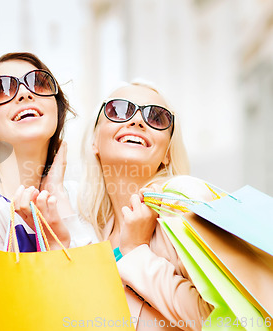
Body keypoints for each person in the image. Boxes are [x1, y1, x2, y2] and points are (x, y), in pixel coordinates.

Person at [0, 52, 96, 330]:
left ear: (57, 108)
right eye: (1, 89)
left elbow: (105, 298)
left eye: (39, 83)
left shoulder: (76, 197)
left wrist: (60, 201)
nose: (24, 93)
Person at [78, 80, 214, 330]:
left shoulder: (185, 206)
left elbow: (219, 319)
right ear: (95, 142)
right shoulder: (92, 232)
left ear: (167, 155)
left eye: (157, 117)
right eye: (118, 110)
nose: (138, 121)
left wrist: (137, 251)